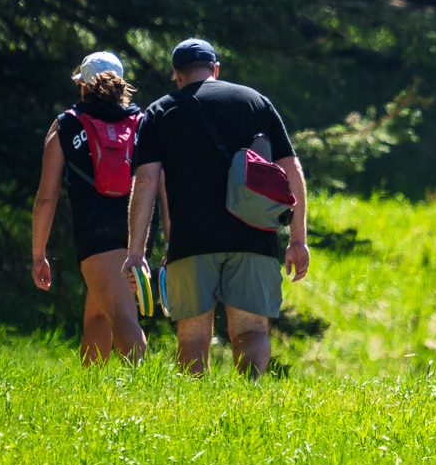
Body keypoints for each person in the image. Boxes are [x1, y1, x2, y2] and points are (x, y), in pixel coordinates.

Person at [123, 38, 310, 377]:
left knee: (193, 337)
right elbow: (291, 169)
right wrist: (298, 239)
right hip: (253, 233)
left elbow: (147, 182)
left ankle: (197, 410)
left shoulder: (160, 112)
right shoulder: (255, 101)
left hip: (191, 238)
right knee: (252, 331)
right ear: (216, 69)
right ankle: (249, 394)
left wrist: (137, 252)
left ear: (177, 75)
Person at [30, 52, 151, 364]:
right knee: (98, 316)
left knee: (124, 320)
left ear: (81, 84)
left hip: (95, 236)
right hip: (136, 233)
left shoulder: (66, 125)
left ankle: (147, 392)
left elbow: (46, 197)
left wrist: (38, 254)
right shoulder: (142, 124)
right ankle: (91, 389)